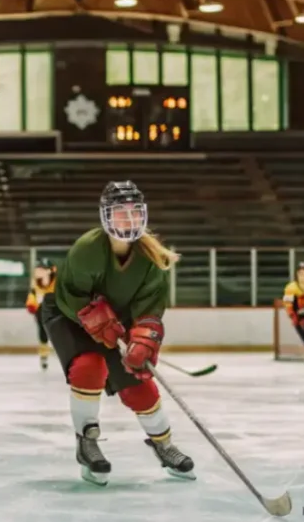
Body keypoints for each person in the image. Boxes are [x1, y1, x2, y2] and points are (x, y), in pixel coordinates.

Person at [40, 180, 194, 486]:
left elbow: (150, 309)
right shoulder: (87, 248)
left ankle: (163, 444)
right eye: (121, 212)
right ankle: (87, 443)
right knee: (89, 367)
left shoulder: (150, 258)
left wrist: (143, 337)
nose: (129, 219)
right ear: (106, 216)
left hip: (118, 322)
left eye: (134, 212)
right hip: (70, 316)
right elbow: (72, 295)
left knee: (138, 381)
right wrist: (99, 322)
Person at [25, 258, 57, 371]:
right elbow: (32, 294)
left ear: (50, 271)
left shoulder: (57, 282)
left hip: (56, 309)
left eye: (41, 269)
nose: (38, 271)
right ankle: (44, 355)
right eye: (38, 269)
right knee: (42, 332)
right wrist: (31, 304)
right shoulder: (35, 281)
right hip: (41, 310)